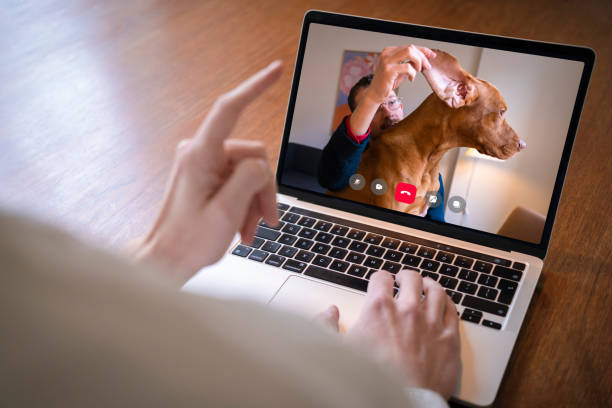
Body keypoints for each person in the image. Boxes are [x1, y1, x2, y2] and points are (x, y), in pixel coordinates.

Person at [1, 60, 460, 407]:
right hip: (346, 241)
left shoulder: (426, 166)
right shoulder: (355, 147)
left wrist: (163, 253)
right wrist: (405, 395)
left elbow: (435, 218)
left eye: (395, 102)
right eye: (378, 105)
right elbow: (331, 172)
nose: (390, 109)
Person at [317, 45, 445, 222]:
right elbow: (330, 179)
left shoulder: (430, 173)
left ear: (401, 107)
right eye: (375, 108)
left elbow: (437, 228)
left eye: (391, 102)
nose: (387, 113)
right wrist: (373, 97)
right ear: (361, 116)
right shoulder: (350, 158)